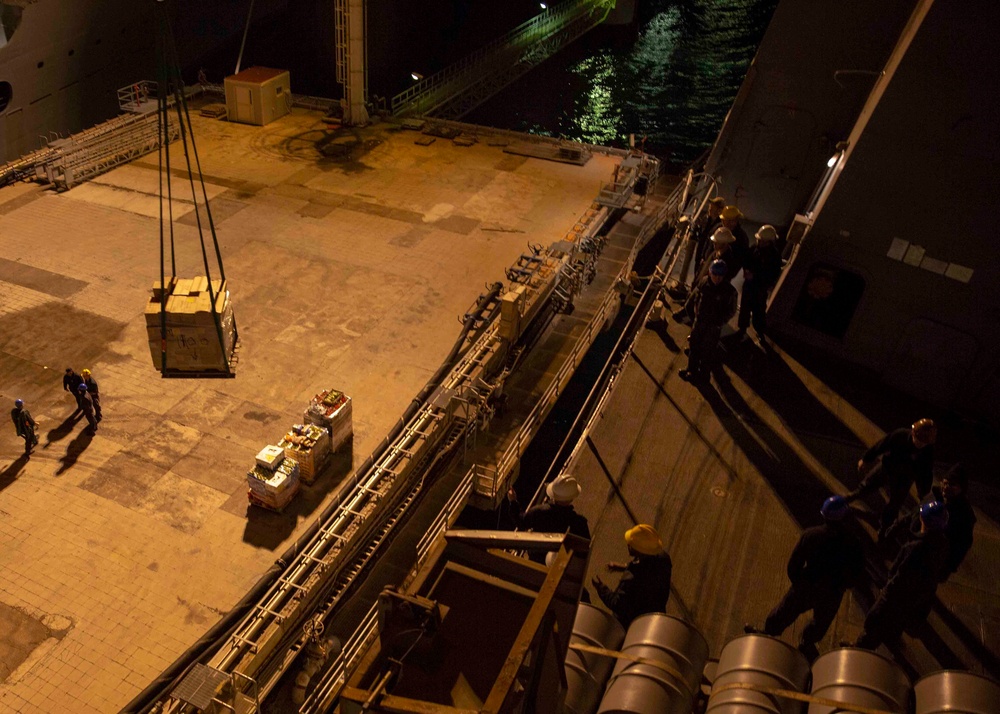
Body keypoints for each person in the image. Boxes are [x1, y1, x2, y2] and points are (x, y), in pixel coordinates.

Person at [744, 496, 863, 660]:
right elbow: (857, 574)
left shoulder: (811, 535)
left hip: (808, 585)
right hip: (832, 591)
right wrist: (841, 585)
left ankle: (767, 634)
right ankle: (807, 643)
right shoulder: (853, 543)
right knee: (821, 622)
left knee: (785, 611)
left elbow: (794, 565)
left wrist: (799, 584)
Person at [853, 501, 950, 650]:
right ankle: (892, 644)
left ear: (923, 519)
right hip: (915, 598)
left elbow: (900, 575)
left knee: (873, 622)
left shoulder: (915, 547)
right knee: (896, 624)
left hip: (897, 595)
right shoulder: (941, 543)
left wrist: (885, 593)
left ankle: (859, 649)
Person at [846, 418, 937, 537]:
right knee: (865, 487)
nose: (920, 444)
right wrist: (866, 459)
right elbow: (882, 445)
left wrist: (923, 493)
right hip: (887, 468)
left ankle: (884, 527)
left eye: (924, 442)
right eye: (919, 440)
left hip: (905, 478)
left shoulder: (927, 451)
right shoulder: (900, 435)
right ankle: (845, 501)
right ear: (913, 433)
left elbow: (925, 473)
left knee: (894, 505)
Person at [886, 463, 976, 581]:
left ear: (962, 488)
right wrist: (897, 525)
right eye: (945, 482)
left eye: (952, 485)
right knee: (900, 573)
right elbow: (916, 511)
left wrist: (947, 568)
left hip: (931, 560)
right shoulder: (935, 495)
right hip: (914, 544)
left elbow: (961, 546)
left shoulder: (965, 515)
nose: (946, 487)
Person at [593, 524, 672, 628]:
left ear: (638, 550)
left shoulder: (631, 578)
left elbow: (616, 603)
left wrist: (601, 588)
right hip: (653, 621)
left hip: (632, 626)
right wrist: (623, 567)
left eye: (631, 544)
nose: (628, 545)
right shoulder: (663, 559)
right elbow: (645, 568)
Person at [678, 259, 738, 384]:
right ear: (710, 273)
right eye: (714, 274)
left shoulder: (729, 292)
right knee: (694, 346)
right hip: (700, 322)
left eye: (720, 275)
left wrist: (719, 323)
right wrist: (695, 313)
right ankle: (691, 370)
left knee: (707, 351)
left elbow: (731, 311)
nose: (717, 278)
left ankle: (704, 376)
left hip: (713, 327)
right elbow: (695, 297)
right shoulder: (704, 282)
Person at [508, 474, 590, 561]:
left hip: (536, 560)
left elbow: (521, 522)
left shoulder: (538, 512)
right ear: (572, 497)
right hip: (563, 565)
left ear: (553, 494)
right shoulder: (580, 523)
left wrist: (513, 501)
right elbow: (585, 549)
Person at [673, 228, 742, 324]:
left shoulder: (726, 259)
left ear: (724, 243)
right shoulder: (717, 253)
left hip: (711, 288)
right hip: (705, 282)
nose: (714, 244)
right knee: (693, 299)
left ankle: (693, 321)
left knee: (702, 307)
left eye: (716, 242)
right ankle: (687, 313)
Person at [736, 224, 783, 345]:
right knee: (745, 308)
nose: (758, 242)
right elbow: (746, 260)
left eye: (761, 240)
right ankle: (742, 329)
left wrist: (755, 276)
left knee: (759, 310)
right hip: (749, 285)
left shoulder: (774, 256)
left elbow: (772, 274)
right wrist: (746, 270)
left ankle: (760, 331)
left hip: (760, 288)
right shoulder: (755, 248)